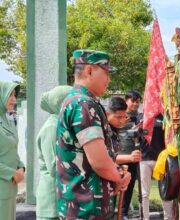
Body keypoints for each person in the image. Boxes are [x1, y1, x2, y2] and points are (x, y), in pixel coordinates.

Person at [56, 49, 131, 219]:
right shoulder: (83, 104)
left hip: (82, 205)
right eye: (106, 73)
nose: (109, 79)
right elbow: (99, 161)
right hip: (86, 208)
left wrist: (117, 171)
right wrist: (118, 178)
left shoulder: (76, 100)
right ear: (89, 70)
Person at [36, 85, 72, 220]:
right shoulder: (52, 128)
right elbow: (54, 167)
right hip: (51, 202)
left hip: (60, 197)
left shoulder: (60, 125)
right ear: (61, 104)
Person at [140, 114, 175, 220]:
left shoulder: (166, 116)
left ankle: (168, 217)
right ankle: (144, 217)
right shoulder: (142, 117)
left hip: (162, 159)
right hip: (144, 159)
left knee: (166, 190)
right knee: (144, 193)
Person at [0, 80, 25, 220]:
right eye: (10, 95)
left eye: (15, 95)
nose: (14, 100)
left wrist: (21, 166)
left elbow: (11, 149)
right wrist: (12, 173)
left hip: (10, 189)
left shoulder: (7, 120)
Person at [117, 91, 143, 219]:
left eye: (138, 102)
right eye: (133, 101)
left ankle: (123, 213)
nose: (136, 104)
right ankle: (112, 212)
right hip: (120, 156)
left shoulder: (139, 117)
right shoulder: (120, 115)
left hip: (134, 156)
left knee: (129, 185)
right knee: (115, 184)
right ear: (126, 100)